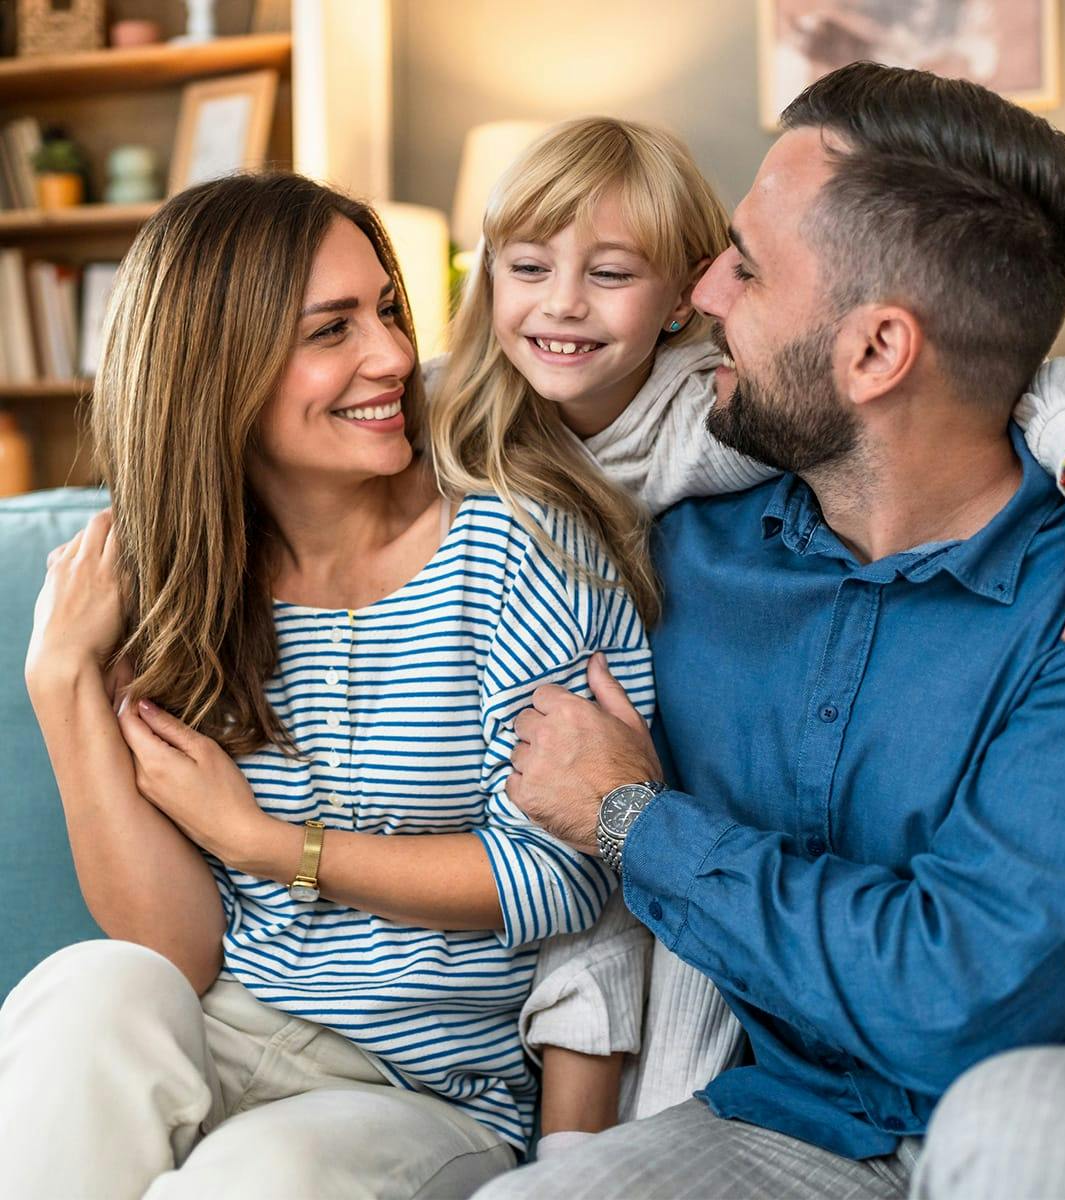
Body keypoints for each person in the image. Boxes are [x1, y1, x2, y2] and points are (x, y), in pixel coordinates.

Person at [477, 65, 1065, 1199]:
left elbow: (952, 1001)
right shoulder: (684, 542)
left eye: (747, 268)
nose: (702, 291)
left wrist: (633, 819)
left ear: (875, 354)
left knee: (1017, 1124)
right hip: (802, 1121)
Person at [2, 172, 654, 1199]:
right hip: (223, 1031)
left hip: (422, 1092)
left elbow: (565, 877)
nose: (393, 356)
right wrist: (60, 679)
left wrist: (269, 844)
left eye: (387, 311)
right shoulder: (177, 581)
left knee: (260, 1176)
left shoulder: (514, 549)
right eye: (331, 329)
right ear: (217, 368)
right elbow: (174, 948)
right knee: (85, 988)